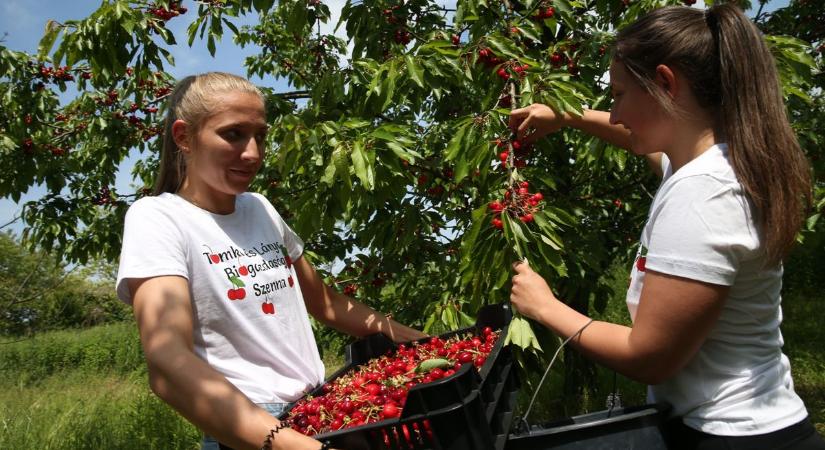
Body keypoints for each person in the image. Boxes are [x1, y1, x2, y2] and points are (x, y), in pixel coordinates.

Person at [507, 4, 824, 449]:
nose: (615, 114)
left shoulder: (703, 194)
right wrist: (566, 115)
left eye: (618, 95)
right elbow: (647, 148)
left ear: (665, 83)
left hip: (729, 436)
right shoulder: (724, 161)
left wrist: (544, 307)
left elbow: (649, 357)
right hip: (752, 424)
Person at [115, 72, 426, 450]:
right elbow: (167, 363)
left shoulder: (259, 207)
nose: (253, 153)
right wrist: (289, 444)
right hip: (251, 429)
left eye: (260, 135)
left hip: (317, 412)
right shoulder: (159, 218)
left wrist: (418, 341)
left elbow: (325, 303)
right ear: (184, 137)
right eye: (233, 134)